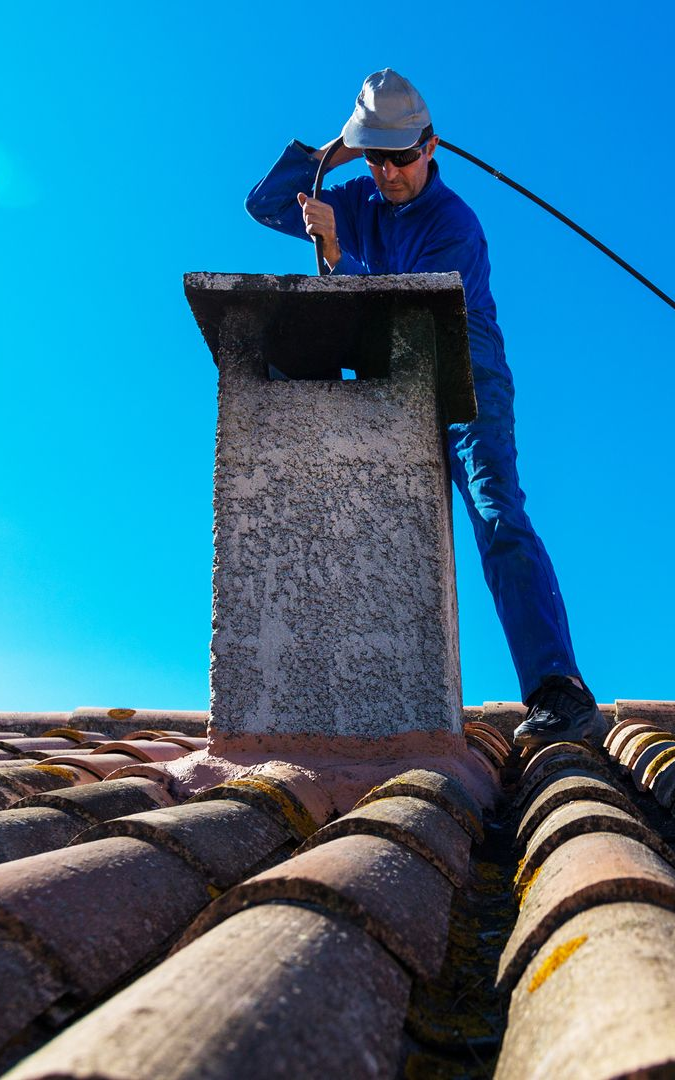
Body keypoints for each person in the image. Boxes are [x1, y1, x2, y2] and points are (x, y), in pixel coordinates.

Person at [245, 68, 607, 748]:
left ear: (430, 147)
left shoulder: (454, 223)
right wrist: (333, 154)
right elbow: (266, 204)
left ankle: (558, 687)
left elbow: (411, 306)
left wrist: (336, 252)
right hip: (395, 374)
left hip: (465, 372)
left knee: (495, 512)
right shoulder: (359, 193)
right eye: (376, 158)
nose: (388, 173)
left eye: (401, 157)